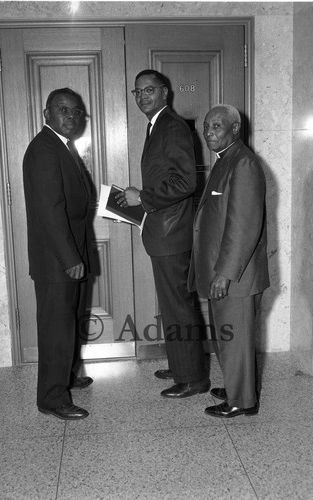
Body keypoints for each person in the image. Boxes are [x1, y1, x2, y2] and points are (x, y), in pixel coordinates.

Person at [116, 69, 209, 398]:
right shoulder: (157, 125)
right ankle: (181, 363)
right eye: (137, 91)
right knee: (172, 306)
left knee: (179, 306)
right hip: (163, 230)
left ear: (165, 92)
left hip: (172, 235)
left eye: (149, 90)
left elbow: (187, 182)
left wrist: (141, 197)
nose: (142, 96)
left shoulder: (172, 126)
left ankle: (193, 378)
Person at [188, 104, 270, 417]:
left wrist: (224, 273)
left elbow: (243, 226)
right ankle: (239, 386)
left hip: (236, 275)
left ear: (235, 129)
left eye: (217, 127)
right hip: (223, 270)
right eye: (206, 126)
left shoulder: (243, 163)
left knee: (234, 337)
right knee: (229, 335)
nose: (209, 133)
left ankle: (241, 401)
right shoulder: (228, 159)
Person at [23, 88, 94, 420]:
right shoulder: (44, 150)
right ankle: (52, 398)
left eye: (77, 112)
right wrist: (70, 259)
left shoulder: (62, 147)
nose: (71, 116)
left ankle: (65, 377)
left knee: (67, 323)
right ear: (46, 113)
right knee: (56, 329)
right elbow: (50, 212)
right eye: (64, 110)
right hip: (57, 261)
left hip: (68, 253)